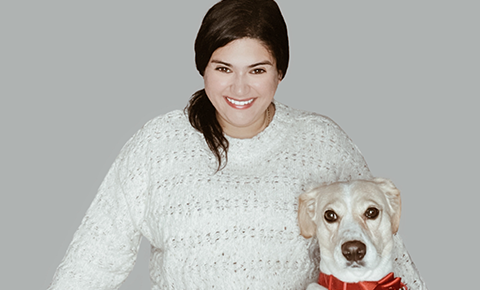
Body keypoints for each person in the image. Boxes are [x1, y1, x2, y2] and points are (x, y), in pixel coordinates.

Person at [48, 0, 427, 289]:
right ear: (203, 68)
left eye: (258, 70)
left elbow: (386, 251)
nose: (240, 89)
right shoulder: (157, 145)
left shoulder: (322, 143)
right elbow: (90, 265)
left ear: (280, 71)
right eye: (223, 68)